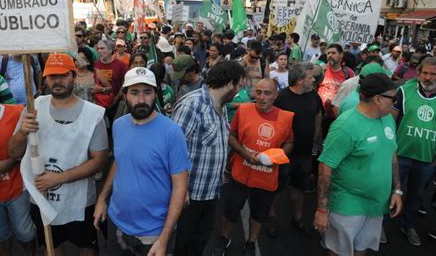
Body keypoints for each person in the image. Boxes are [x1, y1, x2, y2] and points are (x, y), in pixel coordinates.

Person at [8, 53, 109, 255]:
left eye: (63, 75)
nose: (58, 81)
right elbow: (13, 152)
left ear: (73, 75)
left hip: (80, 199)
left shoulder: (93, 113)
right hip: (42, 197)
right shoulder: (33, 108)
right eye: (52, 76)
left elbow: (100, 161)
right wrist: (21, 133)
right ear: (45, 80)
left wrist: (58, 178)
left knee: (87, 246)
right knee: (51, 245)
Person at [93, 67, 191, 255]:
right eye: (134, 92)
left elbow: (180, 186)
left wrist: (164, 239)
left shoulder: (172, 133)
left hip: (154, 234)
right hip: (118, 224)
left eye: (147, 92)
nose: (141, 100)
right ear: (124, 95)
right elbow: (119, 162)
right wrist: (102, 198)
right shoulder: (119, 125)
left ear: (155, 94)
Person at [314, 72, 403, 256]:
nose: (395, 103)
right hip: (348, 205)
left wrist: (397, 190)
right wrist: (322, 209)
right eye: (392, 99)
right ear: (377, 99)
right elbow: (325, 168)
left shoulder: (387, 119)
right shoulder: (345, 126)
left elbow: (391, 154)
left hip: (377, 204)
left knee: (362, 249)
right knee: (339, 251)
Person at [172, 61, 246, 256]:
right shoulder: (192, 104)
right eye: (239, 86)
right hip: (189, 195)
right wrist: (180, 190)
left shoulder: (221, 106)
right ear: (230, 83)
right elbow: (171, 150)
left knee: (200, 240)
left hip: (210, 192)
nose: (239, 92)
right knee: (182, 245)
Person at [213, 78, 294, 255]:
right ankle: (224, 238)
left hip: (266, 178)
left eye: (267, 93)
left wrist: (278, 156)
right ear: (253, 93)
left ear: (275, 95)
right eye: (258, 92)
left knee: (259, 213)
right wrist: (244, 154)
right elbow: (231, 135)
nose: (262, 97)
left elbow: (289, 142)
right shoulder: (244, 110)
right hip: (240, 173)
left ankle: (251, 242)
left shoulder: (286, 117)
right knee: (231, 208)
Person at [390, 56, 436, 246]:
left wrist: (435, 163)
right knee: (389, 191)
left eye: (433, 74)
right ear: (418, 73)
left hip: (426, 159)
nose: (428, 77)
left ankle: (408, 225)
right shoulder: (404, 91)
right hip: (400, 155)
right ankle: (379, 225)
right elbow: (390, 124)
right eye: (425, 73)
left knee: (416, 197)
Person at [0, 69, 36, 255]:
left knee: (25, 233)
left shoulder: (17, 113)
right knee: (0, 234)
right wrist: (17, 157)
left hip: (17, 189)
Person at [266, 62, 321, 238]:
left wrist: (314, 137)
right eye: (311, 77)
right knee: (278, 187)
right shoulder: (282, 98)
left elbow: (318, 115)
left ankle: (297, 218)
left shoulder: (314, 95)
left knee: (300, 187)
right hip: (284, 154)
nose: (314, 80)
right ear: (299, 80)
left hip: (304, 154)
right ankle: (271, 217)